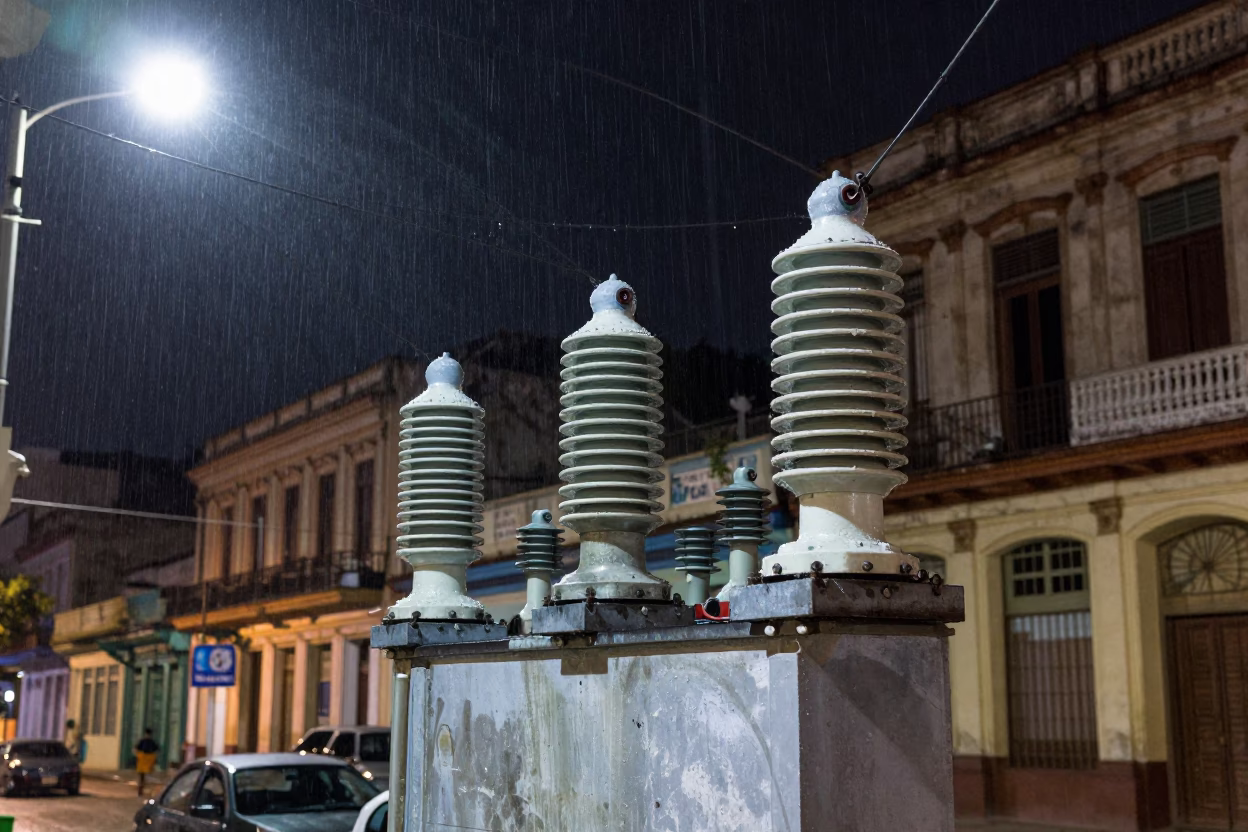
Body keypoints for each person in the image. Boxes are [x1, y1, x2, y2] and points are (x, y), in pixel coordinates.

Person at [134, 728, 159, 796]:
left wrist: (138, 756)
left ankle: (141, 790)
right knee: (145, 776)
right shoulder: (152, 742)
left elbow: (136, 749)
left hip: (143, 760)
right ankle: (142, 789)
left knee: (142, 776)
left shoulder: (142, 741)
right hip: (147, 761)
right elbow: (157, 750)